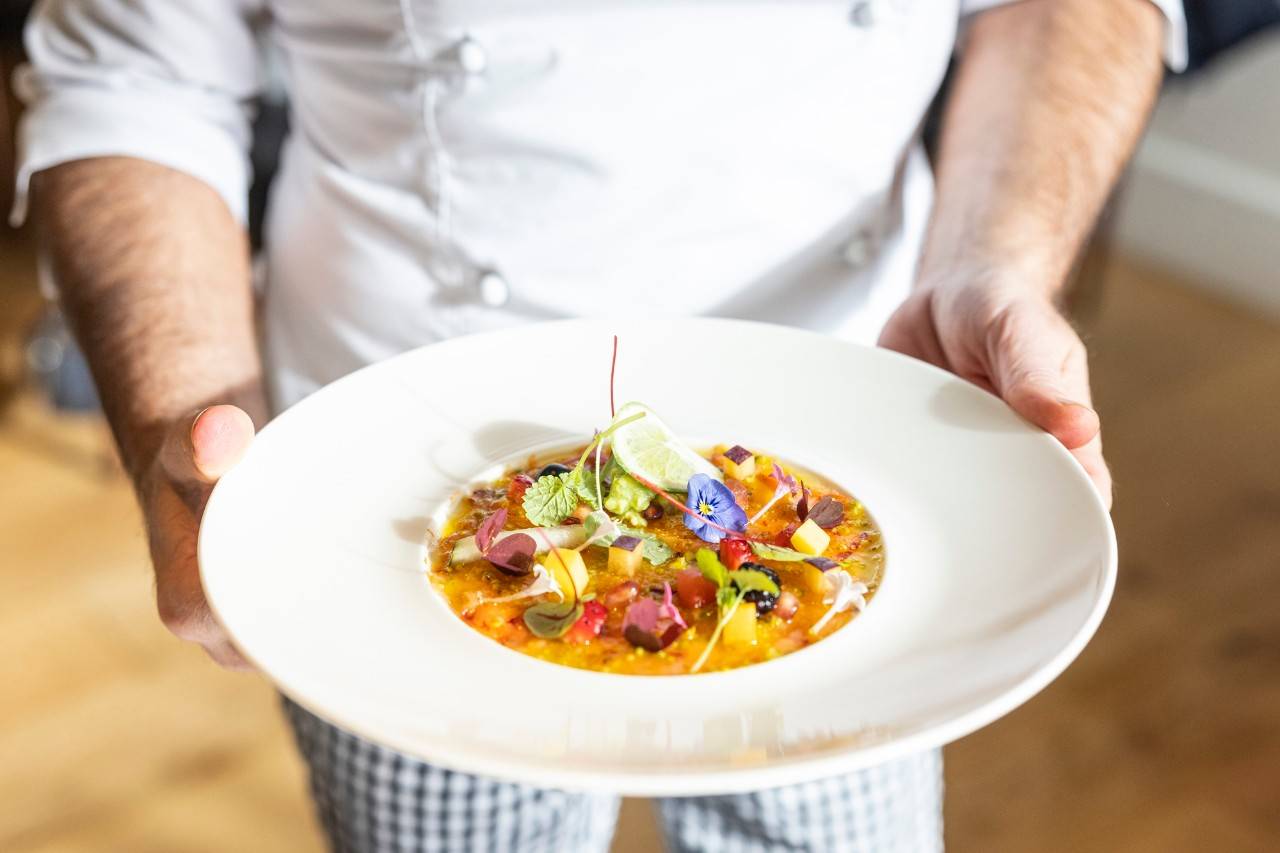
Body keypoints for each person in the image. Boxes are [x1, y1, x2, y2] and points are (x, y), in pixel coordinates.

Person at [14, 1, 1184, 850]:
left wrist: (999, 264)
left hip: (860, 446)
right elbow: (134, 77)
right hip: (391, 487)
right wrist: (189, 412)